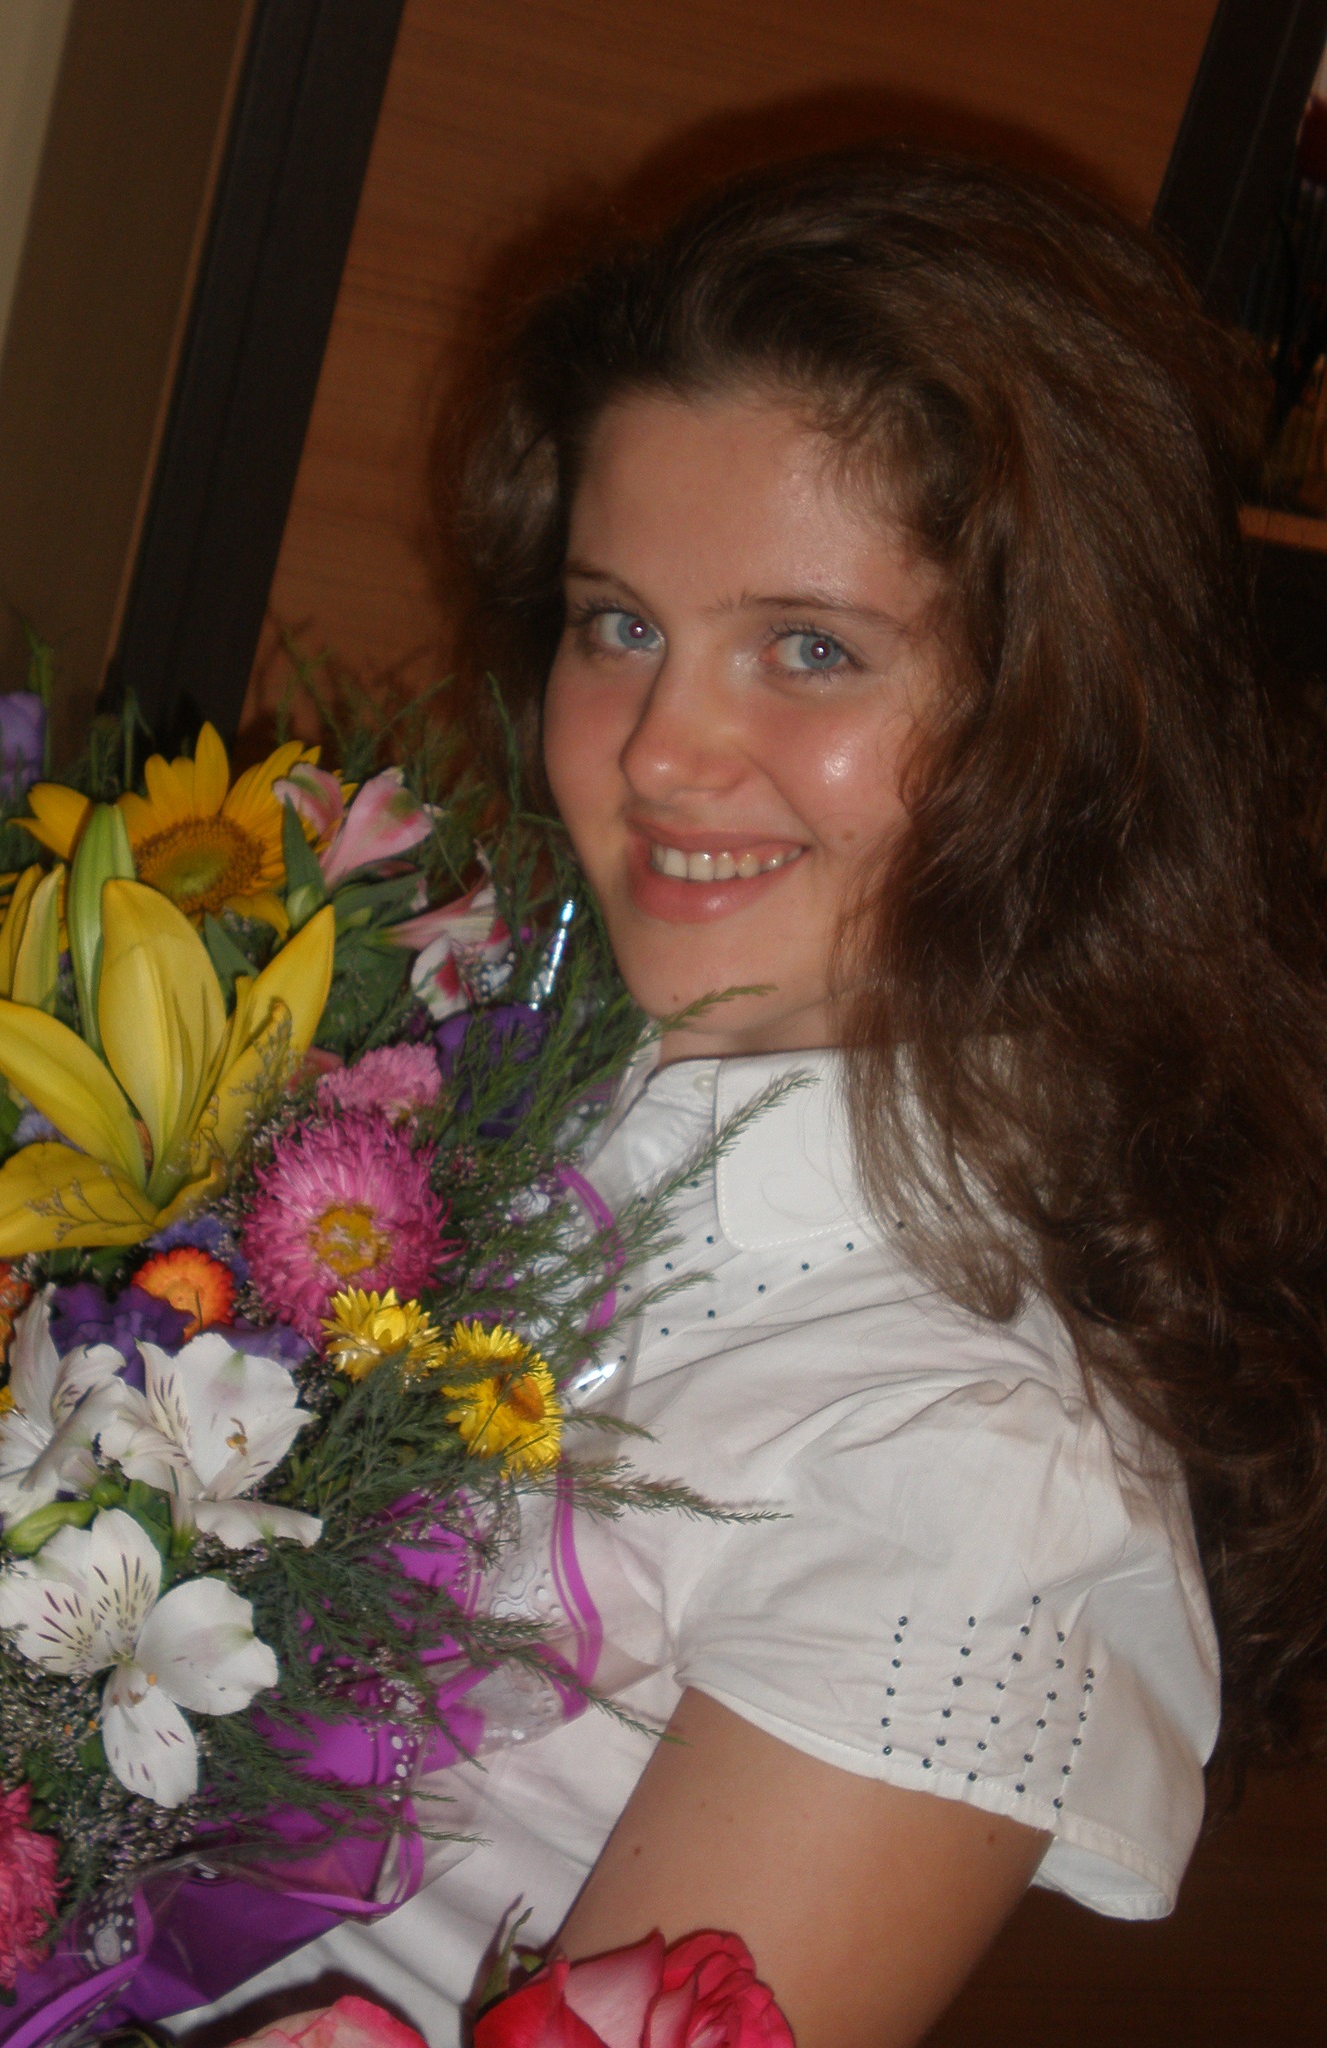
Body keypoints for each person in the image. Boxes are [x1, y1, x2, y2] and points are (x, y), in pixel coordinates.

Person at [181, 151, 1327, 2048]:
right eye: (618, 622)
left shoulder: (969, 1486)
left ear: (1056, 724)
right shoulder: (458, 1057)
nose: (662, 750)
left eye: (812, 649)